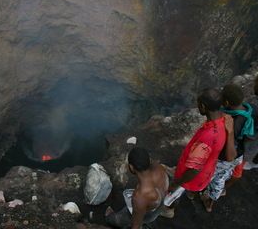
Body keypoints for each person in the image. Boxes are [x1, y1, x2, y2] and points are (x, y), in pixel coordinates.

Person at [160, 88, 228, 218]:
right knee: (190, 185)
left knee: (173, 193)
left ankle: (168, 209)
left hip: (191, 177)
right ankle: (191, 190)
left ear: (203, 106)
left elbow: (194, 170)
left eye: (198, 104)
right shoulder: (222, 121)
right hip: (207, 171)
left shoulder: (207, 137)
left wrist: (177, 183)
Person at [201, 84, 254, 212]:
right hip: (239, 154)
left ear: (226, 102)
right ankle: (212, 198)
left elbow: (223, 143)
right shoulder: (249, 111)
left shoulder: (232, 121)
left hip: (226, 157)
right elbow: (248, 136)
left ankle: (206, 195)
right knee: (223, 176)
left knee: (215, 177)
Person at [105, 146, 169, 229]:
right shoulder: (160, 168)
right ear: (149, 160)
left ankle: (110, 218)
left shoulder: (139, 197)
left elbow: (136, 226)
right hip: (158, 207)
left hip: (147, 213)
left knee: (120, 218)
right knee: (144, 213)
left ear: (131, 167)